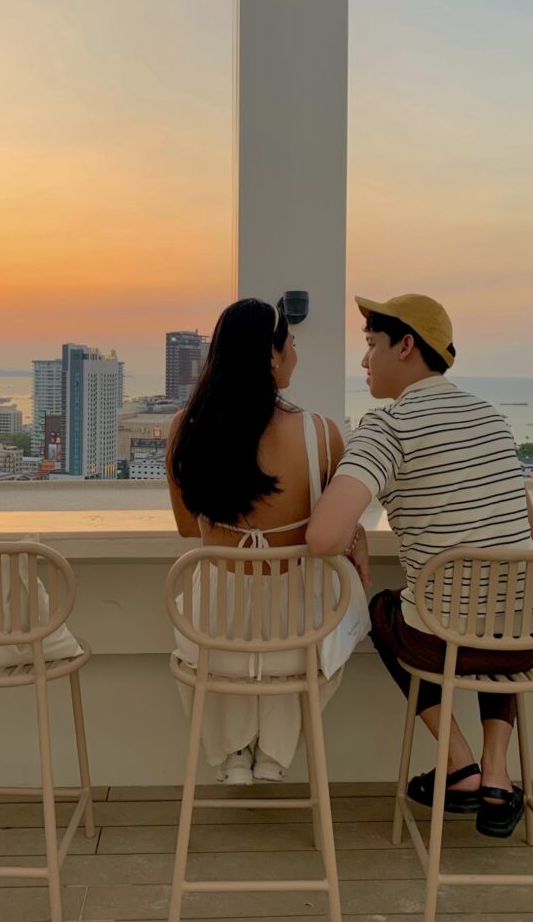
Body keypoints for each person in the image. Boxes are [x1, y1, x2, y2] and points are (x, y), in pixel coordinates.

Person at [306, 293, 533, 838]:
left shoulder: (386, 427)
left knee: (385, 610)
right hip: (530, 637)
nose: (364, 363)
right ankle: (498, 775)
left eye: (371, 346)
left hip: (443, 642)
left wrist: (356, 527)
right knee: (498, 598)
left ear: (406, 346)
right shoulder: (491, 418)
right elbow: (529, 532)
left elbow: (322, 536)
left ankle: (461, 765)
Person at [166, 298, 371, 785]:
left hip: (215, 630)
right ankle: (277, 751)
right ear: (273, 356)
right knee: (327, 616)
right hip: (295, 634)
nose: (296, 355)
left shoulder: (185, 428)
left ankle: (235, 751)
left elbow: (184, 528)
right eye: (292, 344)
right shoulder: (321, 434)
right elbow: (337, 526)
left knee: (230, 632)